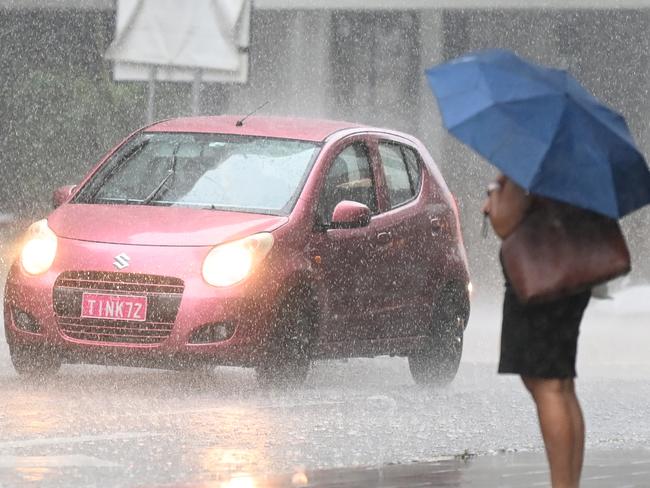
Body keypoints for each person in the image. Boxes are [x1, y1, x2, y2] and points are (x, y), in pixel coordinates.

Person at [482, 173, 591, 488]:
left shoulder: (532, 153)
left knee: (549, 387)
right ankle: (568, 483)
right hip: (570, 268)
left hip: (540, 275)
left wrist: (494, 192)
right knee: (561, 385)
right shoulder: (573, 151)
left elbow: (504, 223)